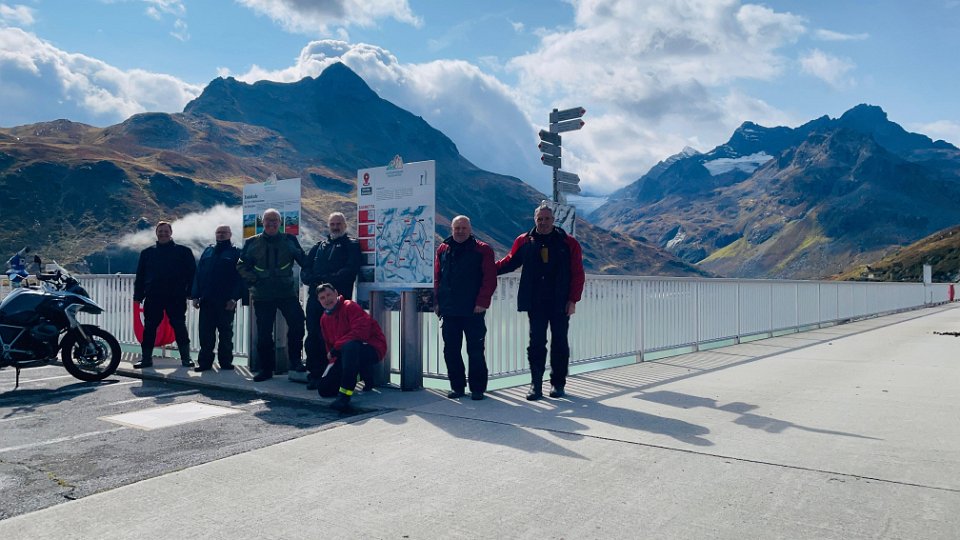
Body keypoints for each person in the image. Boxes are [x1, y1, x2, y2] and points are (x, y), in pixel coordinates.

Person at [496, 204, 585, 400]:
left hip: (560, 301)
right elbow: (510, 262)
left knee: (560, 342)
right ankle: (535, 385)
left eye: (546, 219)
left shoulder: (568, 242)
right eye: (539, 219)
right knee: (536, 343)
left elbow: (578, 273)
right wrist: (485, 270)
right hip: (535, 301)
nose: (543, 222)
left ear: (553, 220)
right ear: (534, 220)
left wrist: (573, 300)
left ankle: (558, 384)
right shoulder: (524, 240)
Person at [236, 208, 307, 382]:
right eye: (268, 220)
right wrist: (254, 280)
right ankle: (266, 369)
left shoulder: (290, 239)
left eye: (275, 220)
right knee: (264, 333)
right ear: (263, 223)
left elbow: (303, 260)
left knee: (298, 323)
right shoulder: (252, 242)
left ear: (280, 223)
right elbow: (241, 265)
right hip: (262, 294)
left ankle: (295, 361)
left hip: (286, 292)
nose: (272, 223)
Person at [434, 215, 497, 400]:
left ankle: (477, 389)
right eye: (457, 228)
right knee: (450, 350)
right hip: (449, 309)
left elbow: (489, 279)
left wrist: (482, 302)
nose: (460, 231)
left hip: (473, 310)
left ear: (470, 230)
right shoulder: (443, 249)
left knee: (475, 351)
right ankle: (457, 387)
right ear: (452, 229)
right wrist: (436, 302)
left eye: (463, 228)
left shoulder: (483, 250)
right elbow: (437, 277)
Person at [301, 212, 361, 390]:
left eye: (339, 224)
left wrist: (326, 282)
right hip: (315, 300)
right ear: (328, 226)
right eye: (332, 224)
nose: (335, 227)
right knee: (313, 336)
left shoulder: (352, 245)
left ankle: (335, 375)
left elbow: (350, 270)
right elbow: (305, 269)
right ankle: (315, 374)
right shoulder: (319, 246)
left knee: (337, 338)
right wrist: (312, 280)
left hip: (338, 303)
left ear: (345, 225)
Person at [133, 220, 197, 369]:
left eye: (166, 231)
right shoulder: (147, 253)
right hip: (153, 296)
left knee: (179, 325)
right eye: (160, 231)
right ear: (156, 233)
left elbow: (192, 274)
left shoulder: (184, 251)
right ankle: (146, 359)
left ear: (171, 233)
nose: (163, 234)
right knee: (149, 327)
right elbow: (140, 276)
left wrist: (190, 292)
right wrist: (137, 296)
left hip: (176, 296)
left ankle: (186, 358)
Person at [316, 283, 387, 413]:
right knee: (324, 389)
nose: (327, 299)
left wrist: (337, 347)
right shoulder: (324, 319)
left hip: (370, 347)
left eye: (329, 295)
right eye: (322, 298)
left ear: (336, 293)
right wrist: (333, 363)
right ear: (319, 301)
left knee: (350, 346)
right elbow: (329, 346)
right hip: (344, 353)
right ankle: (362, 373)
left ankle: (345, 396)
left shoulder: (350, 306)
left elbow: (361, 332)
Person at [190, 224, 245, 372]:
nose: (221, 235)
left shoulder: (236, 253)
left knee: (226, 333)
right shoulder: (208, 251)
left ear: (230, 235)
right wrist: (195, 296)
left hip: (226, 301)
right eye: (219, 232)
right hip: (207, 300)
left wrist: (234, 298)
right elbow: (199, 273)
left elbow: (240, 278)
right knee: (205, 333)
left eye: (224, 232)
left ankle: (225, 362)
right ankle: (204, 363)